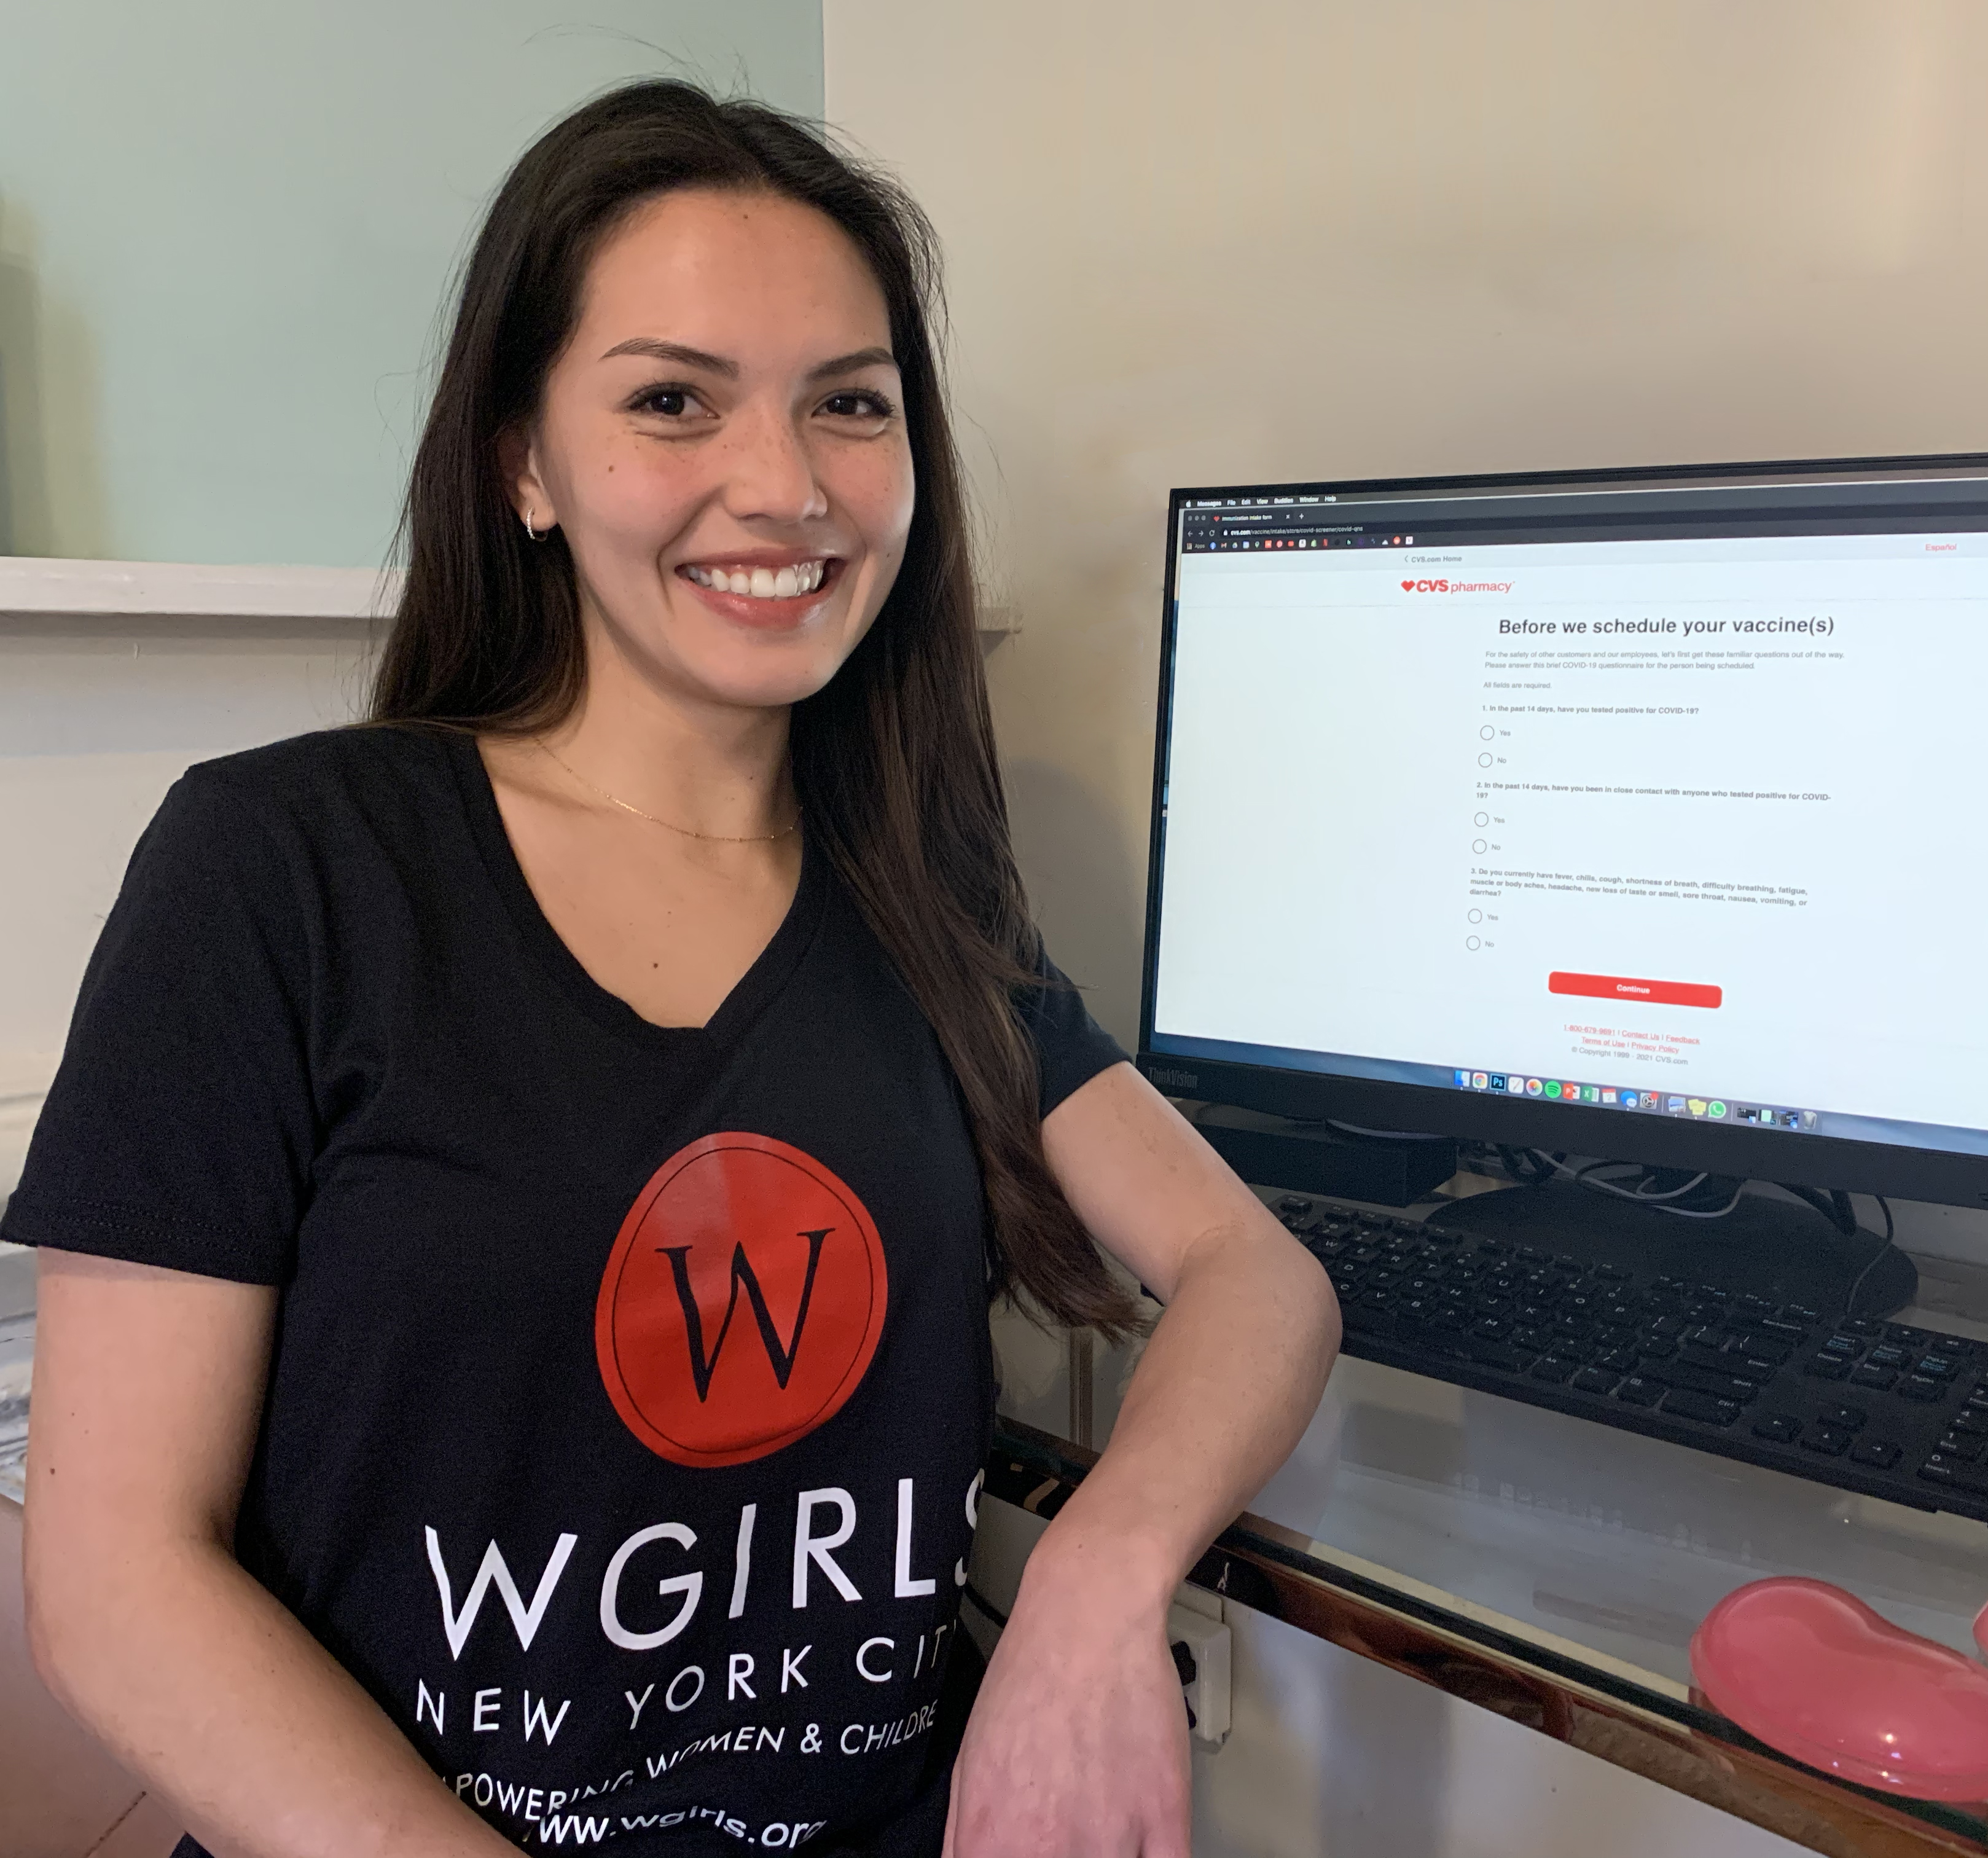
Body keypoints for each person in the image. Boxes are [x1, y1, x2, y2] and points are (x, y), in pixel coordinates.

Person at [13, 81, 1338, 1858]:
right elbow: (116, 1576)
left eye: (849, 404)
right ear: (524, 463)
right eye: (671, 401)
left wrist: (1096, 1584)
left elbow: (1258, 1278)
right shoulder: (286, 868)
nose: (784, 488)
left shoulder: (915, 891)